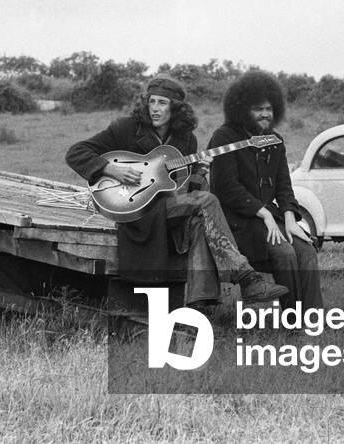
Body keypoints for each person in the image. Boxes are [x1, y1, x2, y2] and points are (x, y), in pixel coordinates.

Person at [66, 76, 288, 311]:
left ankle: (198, 305)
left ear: (176, 107)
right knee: (206, 203)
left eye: (162, 103)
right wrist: (111, 168)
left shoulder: (186, 139)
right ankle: (244, 279)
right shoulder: (126, 128)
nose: (155, 108)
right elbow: (76, 152)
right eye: (152, 102)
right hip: (137, 210)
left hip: (168, 208)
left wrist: (201, 171)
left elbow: (187, 191)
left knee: (201, 216)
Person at [208, 70, 323, 310]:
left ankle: (313, 318)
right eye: (258, 109)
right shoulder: (224, 136)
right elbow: (226, 189)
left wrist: (291, 220)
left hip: (270, 220)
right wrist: (265, 213)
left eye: (269, 109)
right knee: (285, 253)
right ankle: (292, 321)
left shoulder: (275, 140)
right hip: (238, 223)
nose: (265, 114)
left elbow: (284, 186)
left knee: (307, 250)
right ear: (242, 109)